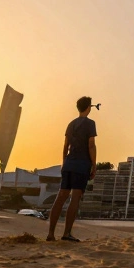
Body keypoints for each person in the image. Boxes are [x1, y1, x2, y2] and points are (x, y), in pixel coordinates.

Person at [46, 96, 97, 242]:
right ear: (88, 107)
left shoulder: (71, 124)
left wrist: (64, 162)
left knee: (61, 196)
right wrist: (94, 164)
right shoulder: (90, 124)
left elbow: (65, 146)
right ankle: (67, 233)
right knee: (75, 197)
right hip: (81, 164)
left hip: (68, 163)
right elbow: (91, 144)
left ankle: (51, 233)